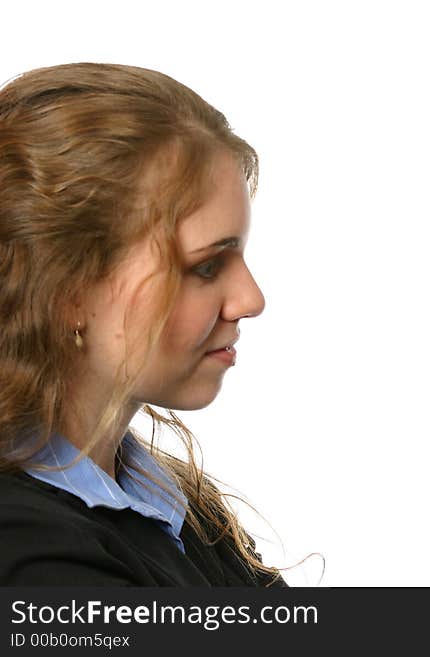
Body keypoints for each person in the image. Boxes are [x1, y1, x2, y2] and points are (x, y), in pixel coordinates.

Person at [0, 63, 285, 586]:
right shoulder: (28, 560)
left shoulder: (169, 507)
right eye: (205, 266)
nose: (250, 299)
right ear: (67, 293)